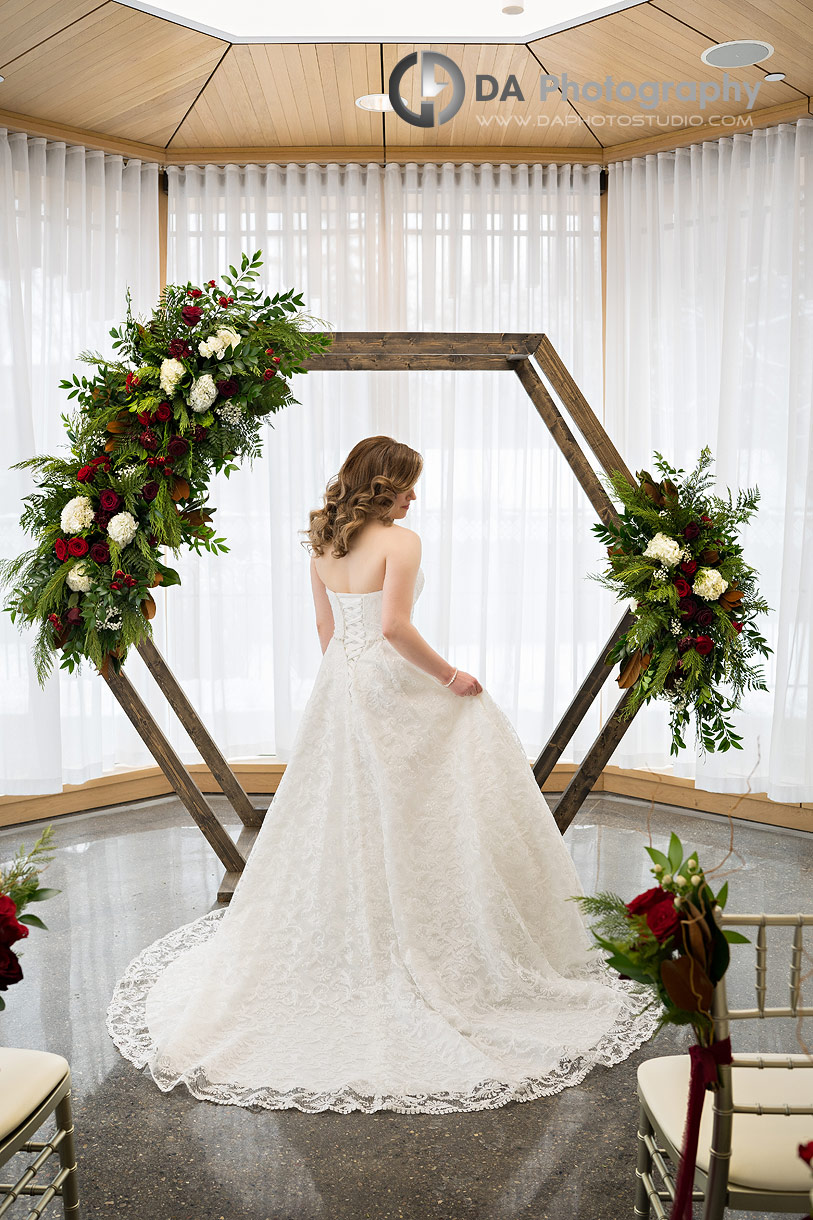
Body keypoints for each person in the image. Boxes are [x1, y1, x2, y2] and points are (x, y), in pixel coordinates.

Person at [106, 435, 658, 1114]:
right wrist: (451, 676)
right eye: (406, 486)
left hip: (339, 684)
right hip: (386, 677)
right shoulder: (402, 543)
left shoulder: (322, 545)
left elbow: (325, 631)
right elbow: (394, 626)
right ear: (382, 485)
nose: (413, 498)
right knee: (443, 761)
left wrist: (348, 685)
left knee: (345, 808)